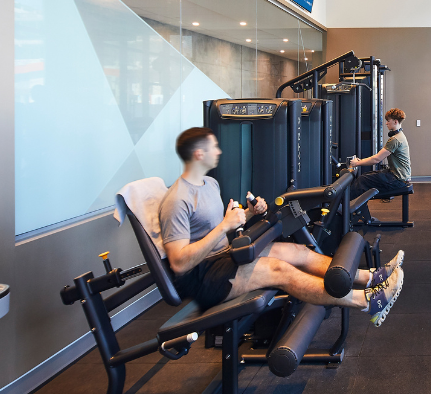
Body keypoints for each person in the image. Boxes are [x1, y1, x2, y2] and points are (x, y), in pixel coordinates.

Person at [160, 127, 405, 326]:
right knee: (280, 270)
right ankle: (366, 301)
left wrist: (247, 213)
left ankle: (371, 277)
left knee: (296, 252)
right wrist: (225, 226)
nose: (219, 150)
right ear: (198, 154)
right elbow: (179, 263)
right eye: (213, 146)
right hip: (203, 277)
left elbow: (220, 228)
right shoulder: (177, 200)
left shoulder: (209, 183)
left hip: (225, 256)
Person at [349, 108, 411, 225]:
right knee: (364, 177)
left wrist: (357, 163)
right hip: (398, 175)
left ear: (396, 122)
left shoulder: (395, 139)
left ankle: (347, 212)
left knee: (362, 180)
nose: (386, 123)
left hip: (397, 178)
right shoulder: (400, 135)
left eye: (388, 121)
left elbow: (376, 159)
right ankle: (356, 212)